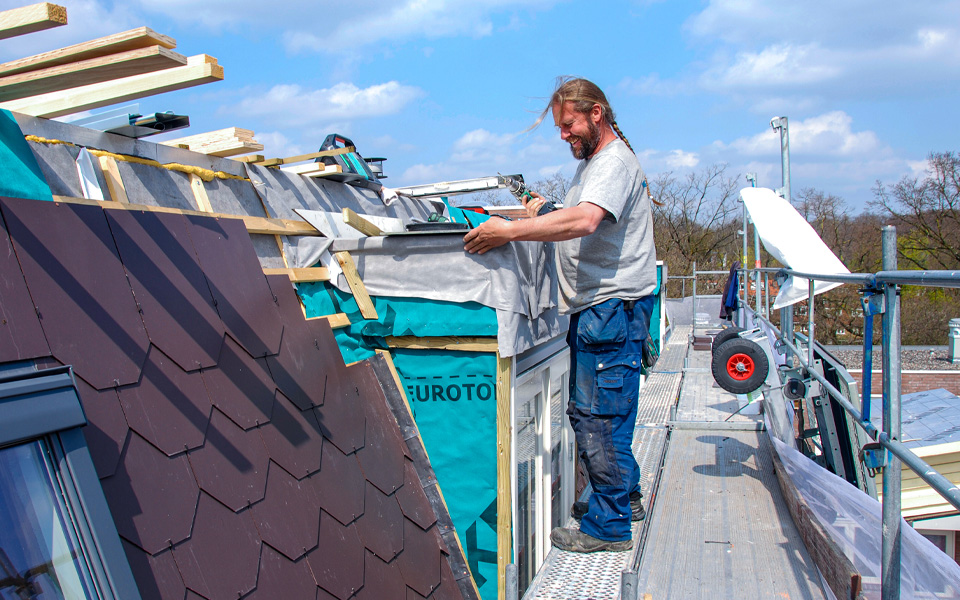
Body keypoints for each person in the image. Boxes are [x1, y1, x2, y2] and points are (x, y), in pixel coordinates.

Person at [464, 77, 657, 553]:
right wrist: (544, 209)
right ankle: (625, 497)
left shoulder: (612, 162)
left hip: (610, 310)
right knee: (595, 412)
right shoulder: (596, 166)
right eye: (559, 128)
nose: (564, 134)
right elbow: (579, 215)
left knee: (600, 418)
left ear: (597, 114)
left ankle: (609, 528)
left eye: (569, 125)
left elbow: (585, 220)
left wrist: (510, 230)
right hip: (602, 311)